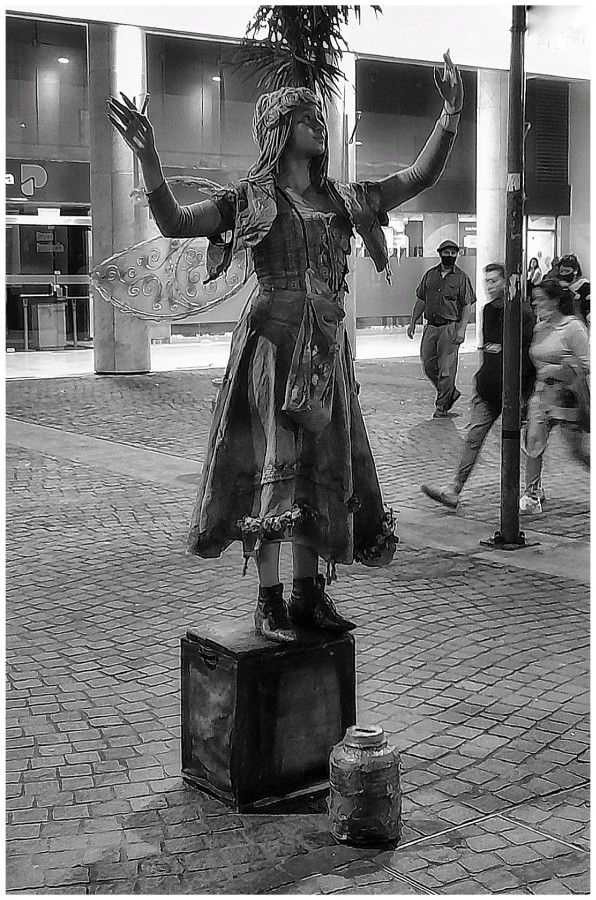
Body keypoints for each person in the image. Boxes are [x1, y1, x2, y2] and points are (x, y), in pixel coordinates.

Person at [106, 53, 464, 643]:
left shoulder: (345, 199)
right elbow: (173, 222)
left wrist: (449, 113)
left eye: (319, 117)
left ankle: (309, 594)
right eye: (305, 117)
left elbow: (418, 177)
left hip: (325, 353)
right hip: (272, 346)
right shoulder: (251, 200)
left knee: (321, 467)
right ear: (279, 128)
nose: (317, 125)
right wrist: (148, 160)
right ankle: (268, 599)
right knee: (271, 469)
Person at [420, 263, 535, 509]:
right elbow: (488, 348)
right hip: (488, 389)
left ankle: (533, 489)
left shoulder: (521, 312)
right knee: (473, 438)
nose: (490, 286)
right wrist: (482, 378)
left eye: (495, 280)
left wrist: (525, 393)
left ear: (506, 282)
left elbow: (526, 354)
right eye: (487, 281)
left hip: (514, 391)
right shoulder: (488, 311)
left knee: (524, 444)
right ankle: (454, 489)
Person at [519, 279, 590, 514]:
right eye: (534, 299)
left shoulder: (572, 328)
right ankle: (531, 493)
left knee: (577, 451)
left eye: (540, 299)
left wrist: (560, 369)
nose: (536, 304)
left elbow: (588, 363)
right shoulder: (540, 328)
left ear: (555, 301)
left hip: (565, 396)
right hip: (541, 394)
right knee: (533, 443)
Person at [406, 239, 475, 418]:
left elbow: (467, 305)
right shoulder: (430, 275)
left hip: (449, 327)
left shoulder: (461, 278)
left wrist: (461, 330)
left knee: (446, 369)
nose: (450, 256)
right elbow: (421, 300)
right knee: (428, 364)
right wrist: (413, 321)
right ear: (440, 253)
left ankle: (442, 407)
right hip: (431, 327)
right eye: (446, 252)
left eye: (453, 253)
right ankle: (449, 392)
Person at [556, 254, 590, 326]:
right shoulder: (558, 287)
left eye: (567, 271)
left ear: (575, 271)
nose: (564, 274)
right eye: (561, 271)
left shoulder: (585, 286)